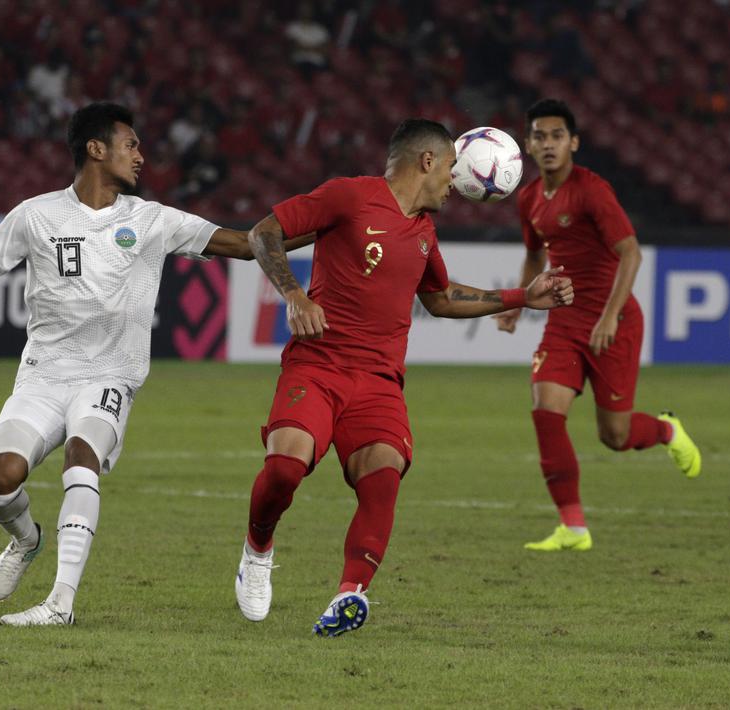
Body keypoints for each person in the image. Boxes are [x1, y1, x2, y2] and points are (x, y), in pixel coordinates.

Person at [0, 102, 310, 626]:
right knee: (1, 478)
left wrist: (328, 225)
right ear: (96, 149)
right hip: (43, 375)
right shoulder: (36, 215)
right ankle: (25, 540)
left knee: (81, 458)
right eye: (130, 144)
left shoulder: (152, 219)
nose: (140, 156)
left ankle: (60, 604)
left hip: (109, 377)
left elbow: (244, 245)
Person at [234, 118, 574, 636]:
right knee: (284, 469)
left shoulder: (423, 232)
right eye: (452, 167)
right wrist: (295, 295)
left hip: (378, 382)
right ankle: (258, 550)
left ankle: (349, 594)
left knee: (383, 476)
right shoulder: (349, 196)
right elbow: (263, 232)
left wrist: (522, 297)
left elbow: (440, 298)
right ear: (427, 161)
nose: (456, 181)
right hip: (318, 366)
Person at [494, 99, 701, 552]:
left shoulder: (592, 190)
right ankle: (573, 527)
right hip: (564, 322)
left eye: (557, 136)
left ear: (573, 143)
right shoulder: (529, 198)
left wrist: (609, 315)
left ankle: (666, 430)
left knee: (615, 436)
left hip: (615, 322)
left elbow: (631, 253)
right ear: (528, 145)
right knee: (546, 411)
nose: (549, 144)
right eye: (540, 137)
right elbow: (534, 254)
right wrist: (519, 300)